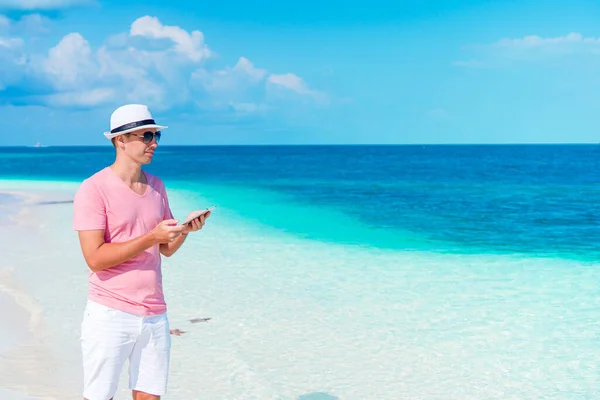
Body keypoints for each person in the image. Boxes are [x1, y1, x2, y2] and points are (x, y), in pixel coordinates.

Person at [72, 104, 210, 400]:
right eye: (146, 136)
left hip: (154, 313)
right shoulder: (93, 189)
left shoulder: (157, 186)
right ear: (120, 140)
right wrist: (151, 237)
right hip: (110, 312)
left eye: (156, 136)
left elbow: (166, 249)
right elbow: (94, 258)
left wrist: (185, 230)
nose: (154, 143)